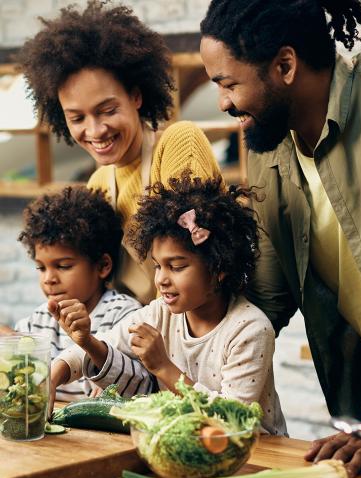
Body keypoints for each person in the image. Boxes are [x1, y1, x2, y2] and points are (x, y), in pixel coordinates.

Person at [200, 0, 361, 477]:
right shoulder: (271, 144)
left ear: (285, 65)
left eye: (228, 83)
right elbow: (267, 295)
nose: (223, 103)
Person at [48, 173, 287, 436]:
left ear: (219, 267)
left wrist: (164, 367)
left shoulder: (249, 329)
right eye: (157, 266)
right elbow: (103, 343)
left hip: (257, 452)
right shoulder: (160, 313)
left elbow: (233, 418)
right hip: (189, 448)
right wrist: (53, 376)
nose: (161, 279)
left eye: (176, 267)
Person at [19, 0, 221, 305]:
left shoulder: (179, 142)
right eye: (77, 118)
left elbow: (192, 263)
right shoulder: (99, 183)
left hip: (196, 337)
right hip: (131, 340)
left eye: (108, 110)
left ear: (136, 96)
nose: (96, 130)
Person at [11, 186, 153, 405]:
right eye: (41, 268)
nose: (49, 278)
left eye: (64, 266)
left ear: (103, 265)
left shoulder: (124, 314)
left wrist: (104, 370)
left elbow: (142, 384)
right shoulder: (40, 320)